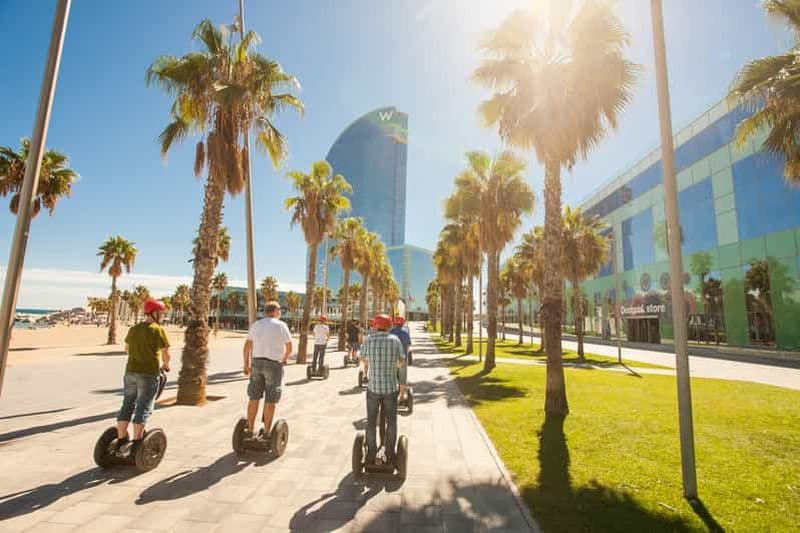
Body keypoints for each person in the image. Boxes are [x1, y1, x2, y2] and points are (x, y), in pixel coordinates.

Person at [115, 299, 170, 447]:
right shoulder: (157, 329)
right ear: (155, 313)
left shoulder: (134, 329)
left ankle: (120, 440)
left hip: (130, 373)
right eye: (162, 313)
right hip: (148, 374)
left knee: (127, 405)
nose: (163, 316)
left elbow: (126, 349)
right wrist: (166, 365)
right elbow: (166, 354)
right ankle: (137, 443)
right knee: (143, 408)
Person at [361, 314, 407, 467]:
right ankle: (389, 454)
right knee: (391, 422)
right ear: (389, 326)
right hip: (390, 388)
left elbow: (364, 359)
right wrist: (402, 386)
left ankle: (371, 454)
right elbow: (402, 363)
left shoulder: (369, 340)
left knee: (371, 422)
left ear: (375, 325)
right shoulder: (395, 340)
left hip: (373, 388)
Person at [243, 301, 292, 437]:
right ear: (275, 311)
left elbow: (247, 346)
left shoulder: (256, 325)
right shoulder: (281, 325)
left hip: (256, 363)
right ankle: (266, 432)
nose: (280, 312)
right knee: (270, 399)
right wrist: (284, 358)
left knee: (254, 397)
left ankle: (250, 429)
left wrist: (246, 365)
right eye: (280, 309)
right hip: (273, 365)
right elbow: (289, 347)